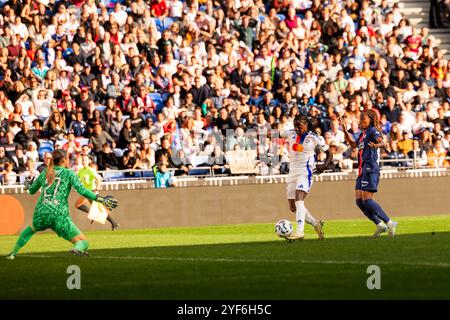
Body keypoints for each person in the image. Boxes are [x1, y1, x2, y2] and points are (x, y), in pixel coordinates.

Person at [6, 150, 118, 260]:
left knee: (31, 229)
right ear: (64, 160)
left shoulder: (45, 172)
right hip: (59, 214)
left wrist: (26, 186)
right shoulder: (69, 173)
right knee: (83, 242)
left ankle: (12, 253)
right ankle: (77, 249)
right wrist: (100, 198)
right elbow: (82, 190)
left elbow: (30, 191)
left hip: (41, 211)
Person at [340, 110, 398, 238]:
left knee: (367, 200)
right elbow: (353, 145)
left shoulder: (372, 131)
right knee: (359, 201)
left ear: (371, 119)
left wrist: (376, 145)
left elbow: (383, 142)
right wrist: (344, 130)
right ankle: (379, 224)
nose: (361, 121)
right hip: (362, 170)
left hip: (370, 168)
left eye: (364, 119)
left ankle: (389, 222)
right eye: (360, 119)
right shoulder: (362, 134)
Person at [280, 114, 333, 241]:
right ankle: (316, 224)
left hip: (306, 172)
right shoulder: (290, 133)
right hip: (292, 173)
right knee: (293, 207)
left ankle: (300, 232)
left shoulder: (315, 138)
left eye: (299, 126)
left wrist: (324, 166)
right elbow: (277, 134)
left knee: (299, 199)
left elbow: (329, 153)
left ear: (306, 124)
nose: (297, 128)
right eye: (295, 126)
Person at [75, 155, 120, 230]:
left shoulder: (90, 170)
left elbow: (99, 179)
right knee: (98, 209)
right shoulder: (81, 170)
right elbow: (77, 179)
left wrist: (97, 189)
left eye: (85, 160)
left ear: (89, 161)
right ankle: (113, 223)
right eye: (82, 160)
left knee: (79, 205)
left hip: (91, 191)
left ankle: (113, 222)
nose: (84, 161)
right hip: (86, 192)